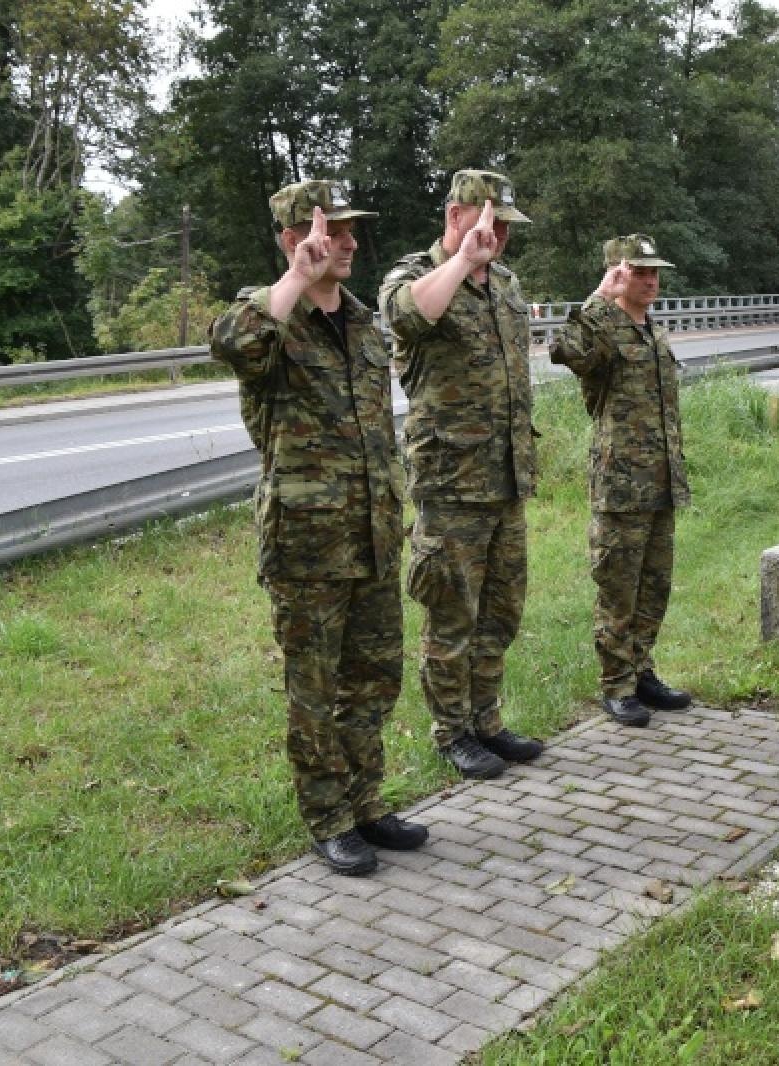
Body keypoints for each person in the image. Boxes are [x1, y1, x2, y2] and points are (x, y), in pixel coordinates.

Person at [210, 179, 427, 876]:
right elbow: (231, 345)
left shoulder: (365, 321)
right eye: (332, 230)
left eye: (350, 230)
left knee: (373, 681)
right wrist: (296, 277)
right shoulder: (267, 317)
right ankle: (329, 819)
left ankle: (367, 804)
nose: (349, 242)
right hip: (306, 546)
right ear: (294, 237)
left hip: (372, 536)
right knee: (315, 690)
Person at [378, 170, 545, 780]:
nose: (500, 235)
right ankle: (452, 732)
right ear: (457, 217)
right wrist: (460, 261)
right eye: (491, 222)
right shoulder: (413, 276)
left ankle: (487, 721)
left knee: (501, 612)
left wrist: (483, 262)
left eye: (505, 226)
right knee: (452, 615)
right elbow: (406, 318)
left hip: (504, 478)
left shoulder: (504, 285)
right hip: (450, 485)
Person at [550, 234, 693, 727]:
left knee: (654, 587)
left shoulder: (653, 331)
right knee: (618, 587)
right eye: (640, 272)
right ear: (617, 274)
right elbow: (563, 348)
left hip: (662, 483)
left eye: (655, 273)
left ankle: (643, 671)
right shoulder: (603, 329)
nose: (651, 281)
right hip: (621, 486)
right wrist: (598, 296)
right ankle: (616, 684)